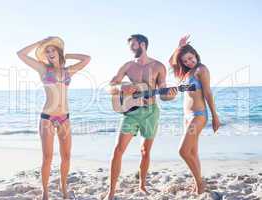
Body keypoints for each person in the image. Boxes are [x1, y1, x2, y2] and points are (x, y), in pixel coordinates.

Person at [17, 36, 91, 199]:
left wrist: (67, 55)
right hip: (48, 118)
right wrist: (39, 43)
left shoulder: (68, 70)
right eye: (47, 51)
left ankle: (63, 188)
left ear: (58, 52)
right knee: (48, 157)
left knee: (66, 156)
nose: (50, 53)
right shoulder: (43, 69)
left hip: (65, 117)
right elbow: (20, 54)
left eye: (53, 50)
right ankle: (45, 192)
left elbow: (87, 59)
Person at [105, 34, 177, 199]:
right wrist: (121, 89)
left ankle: (142, 185)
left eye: (133, 45)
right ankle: (111, 191)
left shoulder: (159, 66)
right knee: (118, 150)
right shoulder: (128, 66)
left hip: (151, 112)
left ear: (143, 44)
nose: (131, 49)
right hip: (131, 113)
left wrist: (171, 95)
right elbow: (109, 88)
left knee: (145, 151)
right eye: (130, 46)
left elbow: (164, 93)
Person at [169, 35, 221, 194]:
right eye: (185, 61)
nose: (189, 62)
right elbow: (172, 63)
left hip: (198, 115)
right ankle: (197, 183)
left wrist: (215, 116)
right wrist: (178, 47)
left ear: (195, 55)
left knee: (183, 151)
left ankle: (200, 183)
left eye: (191, 58)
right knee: (192, 152)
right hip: (186, 117)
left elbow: (207, 93)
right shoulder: (186, 73)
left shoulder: (201, 69)